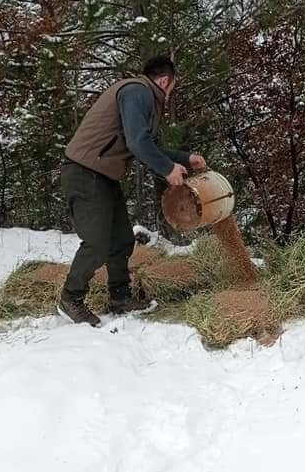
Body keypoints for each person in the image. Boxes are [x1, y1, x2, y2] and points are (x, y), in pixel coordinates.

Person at [58, 55, 206, 327]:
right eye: (172, 87)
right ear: (164, 80)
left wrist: (184, 160)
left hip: (102, 175)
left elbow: (144, 143)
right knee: (97, 242)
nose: (171, 94)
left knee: (122, 239)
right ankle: (71, 297)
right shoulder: (138, 92)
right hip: (85, 173)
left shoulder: (139, 94)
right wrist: (167, 169)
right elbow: (138, 143)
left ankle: (120, 297)